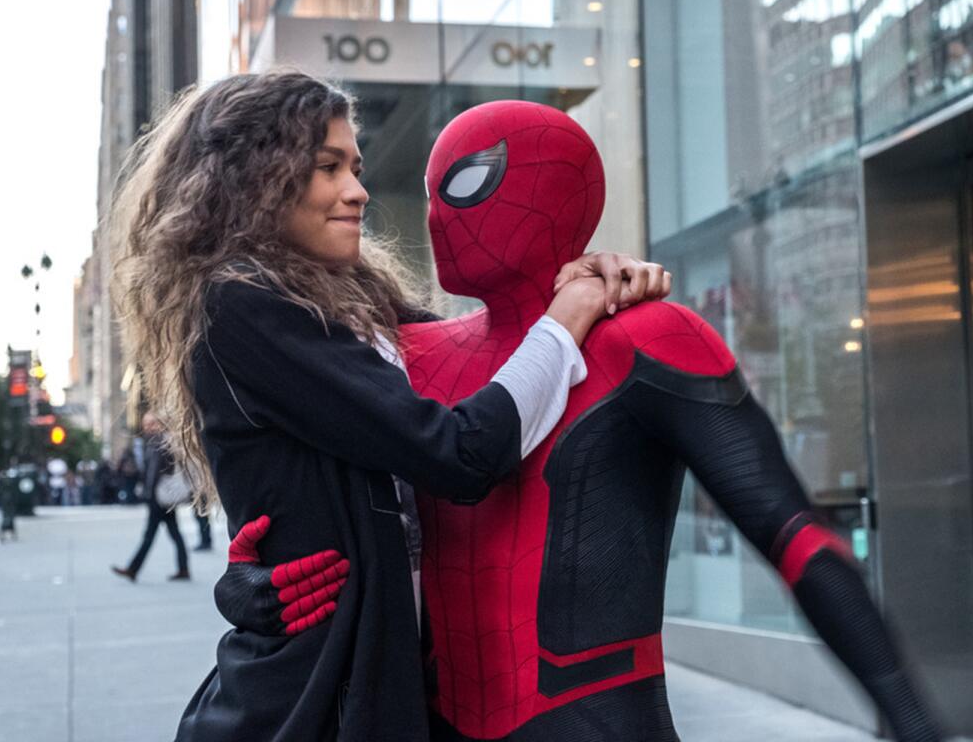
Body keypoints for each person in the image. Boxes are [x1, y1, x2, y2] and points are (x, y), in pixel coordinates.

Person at [220, 101, 941, 741]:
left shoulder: (644, 338)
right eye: (434, 189)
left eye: (466, 182)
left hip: (594, 715)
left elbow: (791, 534)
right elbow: (291, 469)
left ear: (558, 189)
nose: (438, 212)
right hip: (424, 717)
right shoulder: (400, 351)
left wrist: (910, 714)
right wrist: (253, 582)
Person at [108, 71, 666, 741]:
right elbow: (459, 450)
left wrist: (584, 284)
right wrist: (566, 316)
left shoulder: (352, 298)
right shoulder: (245, 306)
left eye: (358, 167)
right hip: (310, 705)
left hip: (397, 683)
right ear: (257, 179)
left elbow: (489, 369)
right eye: (328, 168)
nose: (358, 191)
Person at [110, 412, 190, 582]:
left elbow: (153, 471)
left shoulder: (158, 442)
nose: (148, 427)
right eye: (146, 424)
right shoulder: (159, 442)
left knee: (150, 535)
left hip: (158, 496)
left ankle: (133, 569)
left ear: (160, 424)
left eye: (152, 423)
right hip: (162, 496)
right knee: (174, 533)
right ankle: (183, 568)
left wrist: (148, 493)